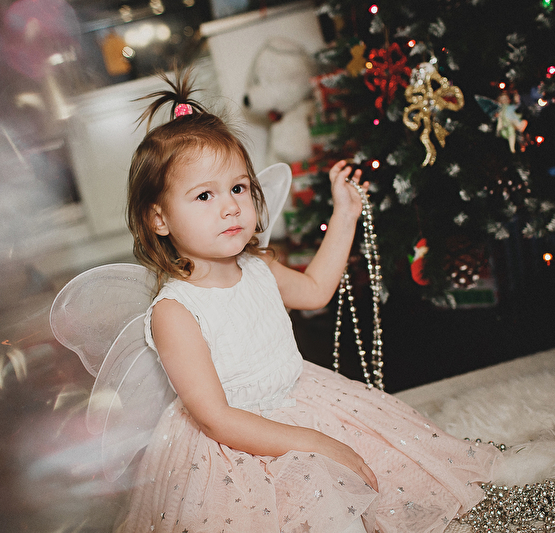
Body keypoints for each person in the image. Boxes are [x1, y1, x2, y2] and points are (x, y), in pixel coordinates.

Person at [120, 71, 500, 533]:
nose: (231, 207)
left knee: (398, 474)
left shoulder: (258, 268)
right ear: (159, 219)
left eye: (238, 188)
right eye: (204, 195)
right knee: (314, 504)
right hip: (235, 442)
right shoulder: (175, 312)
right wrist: (315, 442)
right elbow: (217, 419)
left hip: (303, 396)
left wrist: (345, 214)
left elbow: (317, 289)